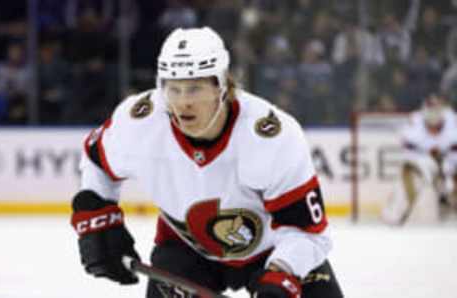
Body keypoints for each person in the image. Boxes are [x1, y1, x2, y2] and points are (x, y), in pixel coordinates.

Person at [70, 27, 344, 298]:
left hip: (274, 251)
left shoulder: (271, 136)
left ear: (221, 87)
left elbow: (308, 233)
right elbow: (96, 161)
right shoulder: (141, 122)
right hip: (186, 252)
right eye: (173, 89)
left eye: (194, 89)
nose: (182, 103)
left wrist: (281, 275)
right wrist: (97, 217)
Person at [382, 92, 457, 224]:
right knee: (407, 183)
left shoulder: (453, 122)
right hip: (421, 163)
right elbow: (408, 153)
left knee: (450, 185)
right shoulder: (414, 124)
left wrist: (447, 169)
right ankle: (395, 214)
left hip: (450, 163)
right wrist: (430, 163)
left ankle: (448, 209)